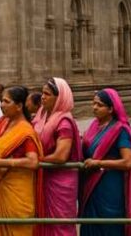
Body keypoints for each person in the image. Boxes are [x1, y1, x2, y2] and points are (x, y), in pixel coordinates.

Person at [0, 85, 42, 236]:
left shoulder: (26, 131)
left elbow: (33, 162)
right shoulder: (3, 122)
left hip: (16, 194)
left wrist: (1, 162)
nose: (2, 105)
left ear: (19, 106)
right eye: (2, 101)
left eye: (6, 102)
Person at [80, 88, 131, 236]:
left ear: (111, 108)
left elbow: (127, 162)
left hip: (110, 185)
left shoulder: (120, 129)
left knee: (109, 223)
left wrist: (99, 163)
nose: (94, 108)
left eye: (99, 105)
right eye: (93, 104)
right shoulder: (93, 126)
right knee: (91, 224)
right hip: (91, 184)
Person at [34, 77, 81, 236]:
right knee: (43, 221)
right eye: (42, 93)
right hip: (44, 176)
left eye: (47, 94)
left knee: (60, 224)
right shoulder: (41, 115)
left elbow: (61, 156)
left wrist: (37, 160)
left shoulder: (64, 121)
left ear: (59, 97)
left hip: (60, 182)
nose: (42, 97)